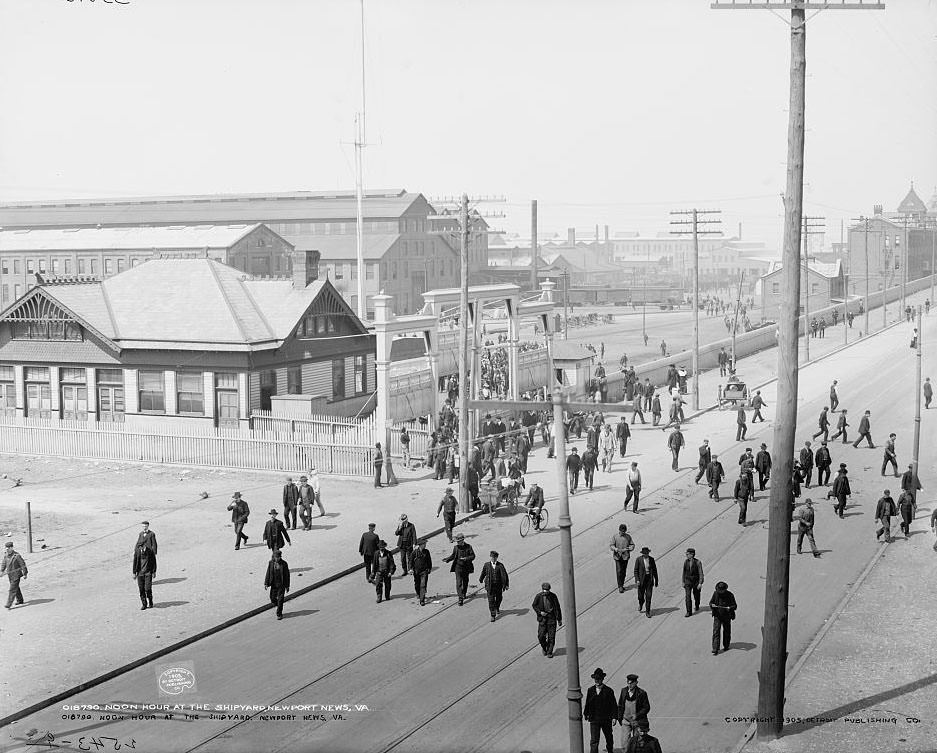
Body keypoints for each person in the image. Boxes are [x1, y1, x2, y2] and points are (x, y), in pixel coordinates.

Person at [583, 668, 617, 753]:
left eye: (599, 679)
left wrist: (614, 717)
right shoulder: (590, 690)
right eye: (596, 679)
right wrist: (586, 714)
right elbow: (588, 703)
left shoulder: (609, 691)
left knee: (609, 737)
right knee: (594, 740)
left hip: (606, 719)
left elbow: (613, 705)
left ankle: (610, 751)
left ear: (602, 679)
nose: (597, 681)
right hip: (594, 719)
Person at [617, 674, 651, 746]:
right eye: (628, 683)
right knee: (624, 742)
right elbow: (620, 705)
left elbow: (646, 707)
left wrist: (637, 715)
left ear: (636, 683)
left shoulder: (642, 693)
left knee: (637, 743)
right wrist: (620, 718)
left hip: (637, 722)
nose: (629, 685)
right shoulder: (623, 691)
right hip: (625, 721)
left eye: (631, 683)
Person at [443, 532, 476, 606]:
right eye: (457, 541)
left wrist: (466, 558)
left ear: (463, 540)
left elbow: (473, 556)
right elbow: (453, 556)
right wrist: (447, 559)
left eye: (459, 541)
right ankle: (460, 598)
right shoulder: (456, 547)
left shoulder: (468, 547)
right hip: (458, 567)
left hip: (466, 567)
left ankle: (464, 593)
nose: (458, 543)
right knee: (459, 583)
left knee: (465, 581)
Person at [532, 581, 562, 657]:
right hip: (542, 619)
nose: (546, 592)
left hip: (552, 619)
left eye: (547, 590)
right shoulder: (538, 596)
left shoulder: (553, 596)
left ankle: (549, 652)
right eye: (545, 590)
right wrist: (540, 612)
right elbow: (534, 605)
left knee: (551, 637)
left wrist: (559, 619)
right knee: (541, 636)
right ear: (542, 589)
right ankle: (544, 647)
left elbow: (557, 607)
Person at [479, 550, 509, 621]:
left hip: (498, 586)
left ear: (497, 558)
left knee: (499, 598)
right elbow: (483, 572)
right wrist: (481, 579)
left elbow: (505, 575)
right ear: (490, 557)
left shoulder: (500, 565)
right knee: (491, 600)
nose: (493, 559)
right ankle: (493, 615)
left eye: (495, 557)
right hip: (490, 586)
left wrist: (506, 584)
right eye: (492, 557)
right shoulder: (486, 565)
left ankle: (497, 607)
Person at [709, 581, 737, 655]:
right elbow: (711, 602)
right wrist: (712, 605)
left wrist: (730, 608)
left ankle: (726, 645)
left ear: (725, 589)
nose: (720, 592)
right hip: (717, 616)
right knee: (716, 631)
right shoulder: (715, 594)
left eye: (722, 590)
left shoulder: (730, 595)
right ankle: (715, 648)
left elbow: (734, 606)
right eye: (719, 590)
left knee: (727, 632)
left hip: (727, 616)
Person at [132, 530, 157, 611]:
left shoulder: (150, 552)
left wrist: (154, 572)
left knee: (147, 589)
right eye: (139, 547)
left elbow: (154, 562)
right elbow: (135, 562)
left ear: (144, 546)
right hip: (140, 574)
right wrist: (134, 573)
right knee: (141, 589)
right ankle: (144, 604)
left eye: (141, 546)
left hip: (148, 573)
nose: (140, 548)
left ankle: (150, 601)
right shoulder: (138, 552)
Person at [264, 549, 290, 620]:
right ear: (274, 557)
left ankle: (279, 614)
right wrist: (266, 583)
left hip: (281, 585)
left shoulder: (284, 564)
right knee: (272, 598)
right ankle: (278, 605)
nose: (277, 558)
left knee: (281, 599)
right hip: (274, 584)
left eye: (278, 557)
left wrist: (287, 586)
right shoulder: (271, 563)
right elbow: (268, 573)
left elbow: (287, 575)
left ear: (280, 557)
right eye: (276, 557)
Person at [633, 547, 658, 618]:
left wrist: (656, 580)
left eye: (647, 553)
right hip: (641, 581)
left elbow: (655, 570)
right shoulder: (638, 559)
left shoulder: (651, 559)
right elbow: (636, 571)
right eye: (644, 554)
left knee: (649, 596)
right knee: (640, 596)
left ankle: (648, 611)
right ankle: (641, 603)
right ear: (642, 554)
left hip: (649, 580)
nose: (646, 555)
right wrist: (637, 580)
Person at [610, 524, 635, 593]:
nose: (623, 532)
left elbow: (632, 545)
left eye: (624, 531)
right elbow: (611, 545)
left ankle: (622, 584)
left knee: (623, 571)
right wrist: (615, 549)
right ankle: (620, 586)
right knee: (619, 571)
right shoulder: (615, 537)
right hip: (617, 556)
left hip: (625, 557)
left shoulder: (628, 537)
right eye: (621, 531)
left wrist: (629, 548)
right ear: (619, 530)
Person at [2, 541, 27, 609]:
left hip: (16, 575)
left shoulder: (17, 556)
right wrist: (1, 571)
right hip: (10, 575)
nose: (7, 549)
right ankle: (20, 600)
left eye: (8, 548)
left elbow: (23, 564)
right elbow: (4, 564)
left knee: (12, 589)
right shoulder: (6, 555)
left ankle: (8, 604)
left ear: (12, 548)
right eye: (6, 548)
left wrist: (25, 573)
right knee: (16, 588)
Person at [682, 548, 705, 617]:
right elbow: (684, 572)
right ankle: (689, 612)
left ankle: (697, 604)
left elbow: (701, 573)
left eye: (688, 554)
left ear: (692, 554)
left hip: (696, 582)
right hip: (688, 582)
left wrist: (700, 583)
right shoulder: (686, 562)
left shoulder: (698, 562)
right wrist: (683, 581)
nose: (686, 555)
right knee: (687, 597)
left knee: (696, 595)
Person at [410, 539, 433, 605]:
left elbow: (429, 561)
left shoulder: (426, 552)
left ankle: (422, 600)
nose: (425, 545)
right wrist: (410, 569)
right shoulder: (414, 552)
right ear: (420, 545)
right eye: (424, 544)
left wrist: (429, 568)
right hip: (416, 571)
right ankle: (418, 593)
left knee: (423, 585)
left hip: (424, 571)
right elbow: (410, 561)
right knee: (417, 584)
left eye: (425, 544)